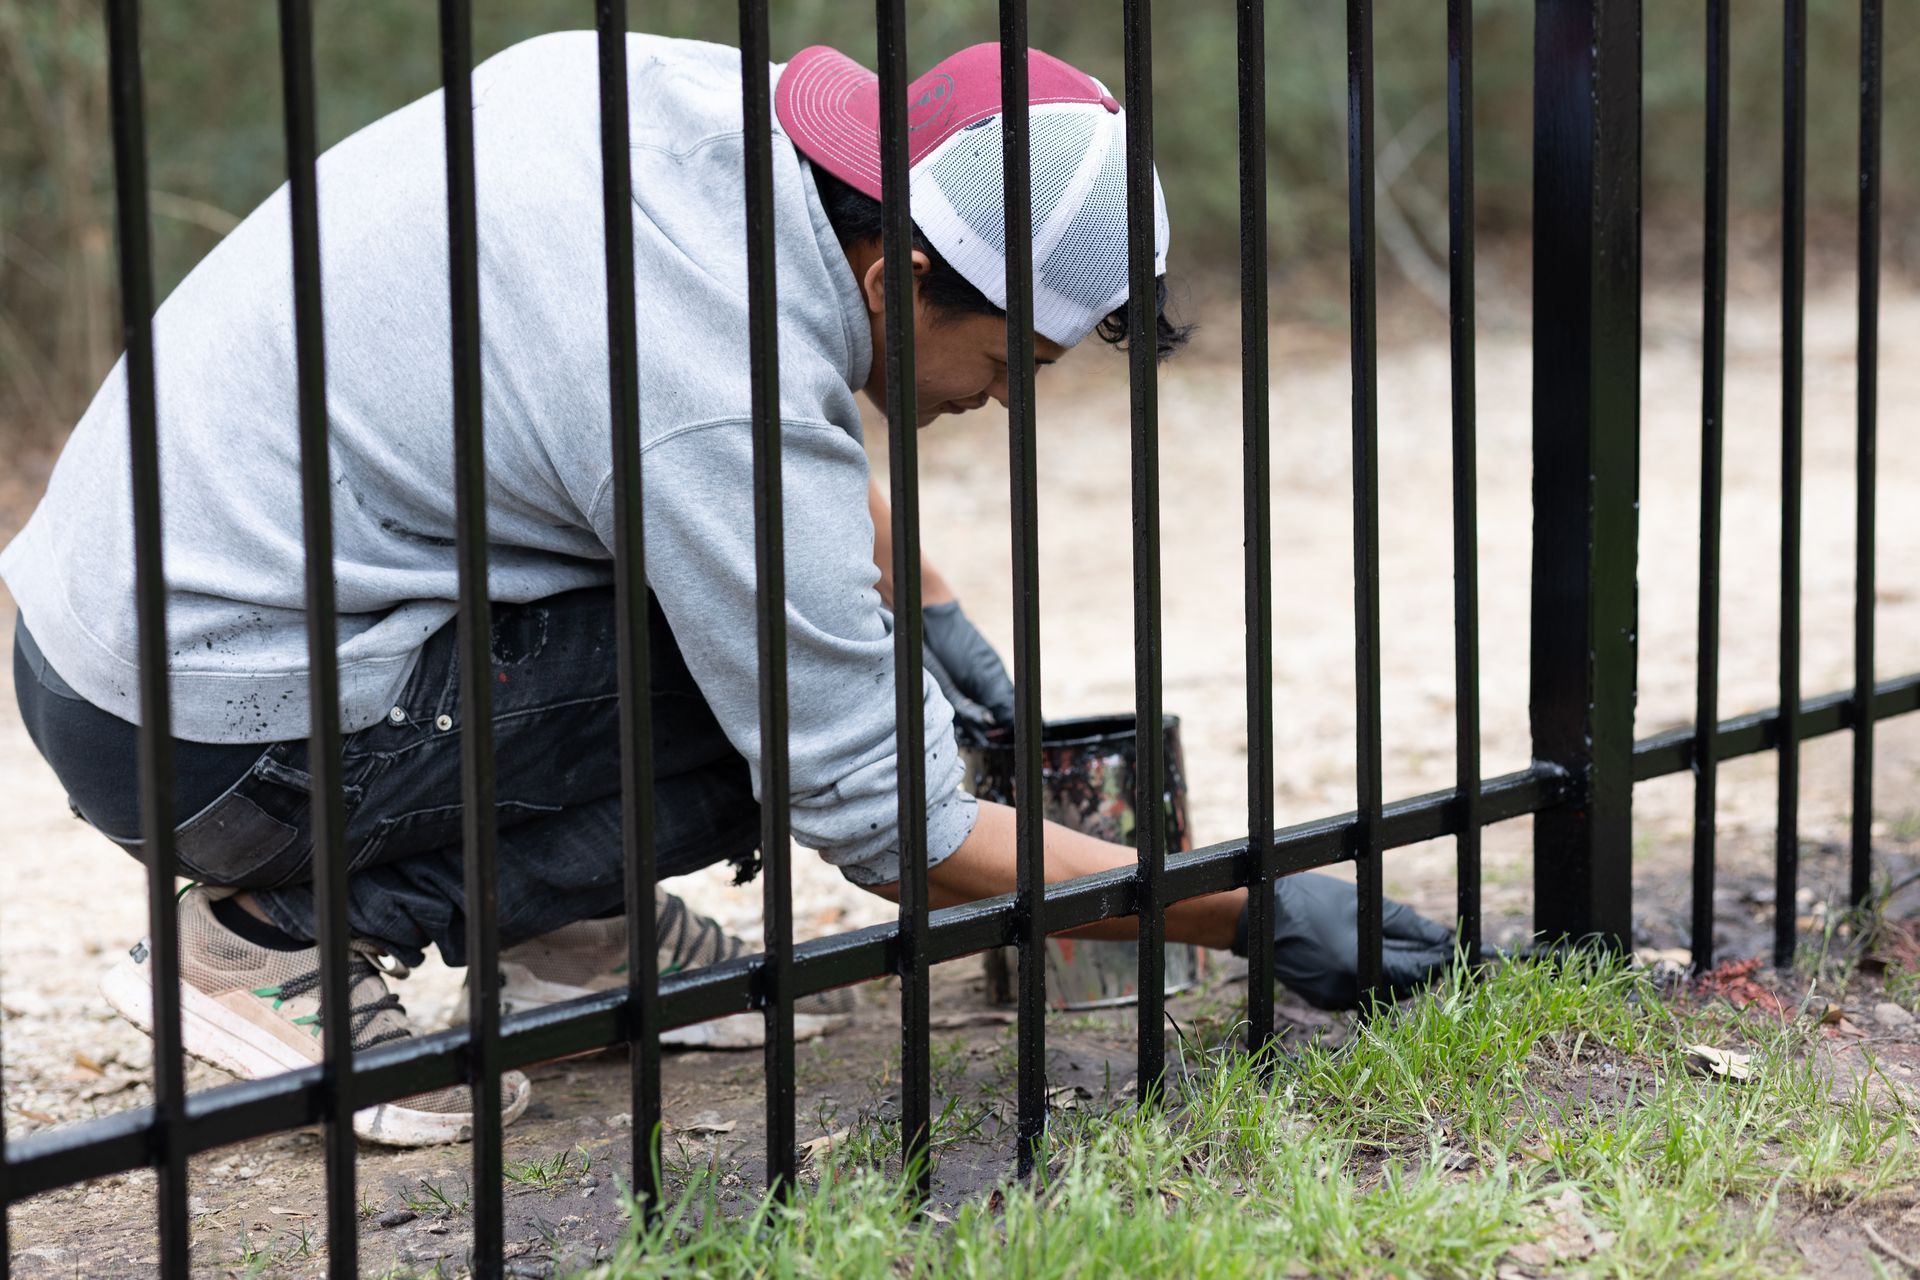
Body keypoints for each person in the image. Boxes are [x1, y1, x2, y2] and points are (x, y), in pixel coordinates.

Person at [2, 34, 1454, 1148]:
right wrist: (1251, 914)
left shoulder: (715, 133)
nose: (1001, 405)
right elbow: (879, 813)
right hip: (209, 723)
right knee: (798, 723)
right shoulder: (715, 377)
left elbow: (761, 470)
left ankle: (565, 940)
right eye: (1012, 367)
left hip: (125, 620)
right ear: (900, 274)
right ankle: (258, 943)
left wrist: (950, 633)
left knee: (818, 643)